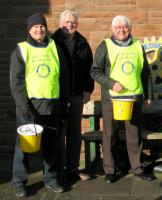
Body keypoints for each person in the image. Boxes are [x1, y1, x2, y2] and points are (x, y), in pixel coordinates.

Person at [10, 13, 68, 197]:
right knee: (24, 148)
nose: (39, 29)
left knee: (51, 147)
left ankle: (50, 179)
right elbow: (16, 82)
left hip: (52, 106)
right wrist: (24, 108)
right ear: (29, 29)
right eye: (35, 27)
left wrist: (64, 103)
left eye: (42, 26)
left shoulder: (55, 47)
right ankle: (19, 182)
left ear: (46, 28)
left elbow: (64, 77)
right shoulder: (21, 50)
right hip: (30, 108)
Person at [90, 15, 154, 183]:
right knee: (110, 134)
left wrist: (149, 94)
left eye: (124, 27)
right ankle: (110, 170)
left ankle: (137, 168)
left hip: (134, 98)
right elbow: (95, 71)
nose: (121, 30)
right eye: (117, 27)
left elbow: (145, 72)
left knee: (134, 135)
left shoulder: (138, 45)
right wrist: (111, 84)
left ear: (130, 28)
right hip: (112, 100)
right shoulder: (105, 46)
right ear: (113, 29)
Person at [52, 10, 94, 182]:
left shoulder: (83, 43)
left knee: (75, 133)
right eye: (67, 22)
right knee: (59, 134)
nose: (70, 25)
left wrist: (88, 90)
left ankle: (72, 169)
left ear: (77, 24)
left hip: (77, 94)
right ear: (60, 23)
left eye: (73, 22)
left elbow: (89, 69)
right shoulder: (52, 42)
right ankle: (59, 170)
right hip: (58, 95)